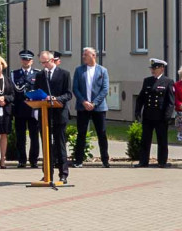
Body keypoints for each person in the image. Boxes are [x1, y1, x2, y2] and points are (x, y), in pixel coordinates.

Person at [33, 50, 71, 184]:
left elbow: (68, 94)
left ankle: (63, 174)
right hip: (45, 114)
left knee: (60, 144)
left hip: (59, 113)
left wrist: (56, 98)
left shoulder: (64, 74)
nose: (43, 65)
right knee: (46, 145)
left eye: (45, 62)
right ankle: (47, 173)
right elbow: (37, 92)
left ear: (52, 60)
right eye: (41, 62)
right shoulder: (40, 75)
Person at [72, 47, 111, 168]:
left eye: (86, 55)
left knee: (102, 134)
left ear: (93, 56)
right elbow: (75, 88)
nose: (83, 57)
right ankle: (79, 160)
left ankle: (105, 160)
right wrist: (84, 101)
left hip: (98, 108)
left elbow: (105, 89)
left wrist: (94, 103)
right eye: (83, 55)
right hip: (83, 107)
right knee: (81, 133)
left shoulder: (102, 71)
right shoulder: (79, 70)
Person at [134, 58, 176, 168]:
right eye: (152, 68)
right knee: (145, 139)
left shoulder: (168, 81)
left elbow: (171, 101)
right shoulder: (147, 81)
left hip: (161, 117)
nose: (153, 70)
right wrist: (138, 111)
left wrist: (168, 116)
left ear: (162, 69)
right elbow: (141, 98)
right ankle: (143, 162)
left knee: (162, 140)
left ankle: (162, 162)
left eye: (155, 68)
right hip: (148, 115)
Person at [11, 50, 40, 169]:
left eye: (28, 59)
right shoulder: (15, 74)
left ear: (32, 61)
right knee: (20, 137)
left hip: (33, 109)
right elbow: (14, 91)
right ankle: (21, 160)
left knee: (34, 136)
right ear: (21, 60)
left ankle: (34, 160)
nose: (26, 61)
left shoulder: (37, 73)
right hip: (20, 109)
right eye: (24, 59)